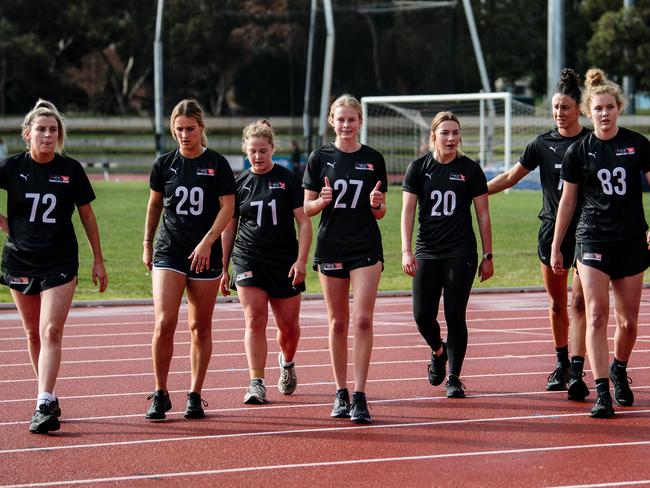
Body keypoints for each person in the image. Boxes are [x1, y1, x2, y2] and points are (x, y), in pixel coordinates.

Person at [0, 99, 108, 434]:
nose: (47, 135)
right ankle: (48, 394)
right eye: (41, 129)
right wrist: (7, 225)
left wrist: (98, 260)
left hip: (60, 260)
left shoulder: (70, 170)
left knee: (50, 331)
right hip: (20, 258)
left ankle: (43, 401)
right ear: (27, 134)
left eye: (53, 130)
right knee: (32, 332)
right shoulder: (12, 167)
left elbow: (87, 216)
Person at [551, 68, 650, 418]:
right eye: (598, 109)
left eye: (610, 107)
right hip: (592, 238)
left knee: (628, 323)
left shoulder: (638, 144)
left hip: (632, 241)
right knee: (596, 316)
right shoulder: (579, 151)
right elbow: (568, 202)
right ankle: (602, 391)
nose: (604, 114)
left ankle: (619, 368)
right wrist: (557, 244)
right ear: (588, 112)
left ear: (618, 109)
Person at [487, 68, 590, 401]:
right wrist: (473, 191)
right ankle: (562, 363)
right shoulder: (542, 144)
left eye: (566, 108)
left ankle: (581, 366)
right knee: (557, 303)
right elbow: (510, 178)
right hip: (551, 231)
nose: (559, 114)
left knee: (580, 301)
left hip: (588, 230)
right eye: (556, 108)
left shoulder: (591, 143)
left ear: (580, 109)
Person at [143, 99, 235, 420]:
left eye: (190, 129)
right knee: (164, 322)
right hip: (170, 249)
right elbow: (155, 205)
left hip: (204, 253)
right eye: (179, 129)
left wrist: (209, 242)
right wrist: (146, 243)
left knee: (200, 327)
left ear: (201, 128)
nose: (184, 135)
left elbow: (228, 207)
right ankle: (160, 392)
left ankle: (195, 393)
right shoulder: (164, 164)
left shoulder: (217, 164)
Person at [303, 94, 387, 424]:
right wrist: (320, 201)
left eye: (352, 119)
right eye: (341, 119)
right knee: (338, 322)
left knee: (363, 320)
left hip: (365, 246)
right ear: (331, 121)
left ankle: (361, 395)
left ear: (360, 121)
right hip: (332, 246)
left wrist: (377, 203)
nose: (346, 125)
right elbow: (305, 209)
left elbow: (380, 213)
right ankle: (340, 392)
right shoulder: (319, 157)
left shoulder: (373, 158)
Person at [401, 111, 493, 399]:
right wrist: (406, 250)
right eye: (445, 133)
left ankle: (454, 376)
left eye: (455, 133)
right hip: (428, 250)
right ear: (434, 136)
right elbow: (407, 212)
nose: (451, 138)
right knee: (421, 316)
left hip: (460, 251)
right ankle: (438, 351)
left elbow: (483, 215)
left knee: (455, 314)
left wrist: (488, 255)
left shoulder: (470, 169)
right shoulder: (418, 168)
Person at [220, 120, 312, 404]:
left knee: (288, 327)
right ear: (245, 152)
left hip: (284, 260)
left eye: (263, 150)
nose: (258, 156)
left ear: (273, 149)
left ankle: (287, 363)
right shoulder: (239, 184)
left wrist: (301, 260)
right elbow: (229, 227)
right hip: (249, 257)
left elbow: (304, 223)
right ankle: (256, 382)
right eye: (252, 151)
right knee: (254, 320)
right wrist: (224, 268)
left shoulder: (288, 179)